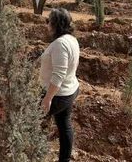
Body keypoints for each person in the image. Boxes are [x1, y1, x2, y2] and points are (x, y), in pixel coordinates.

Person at [40, 8, 80, 162]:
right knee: (64, 125)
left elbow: (59, 74)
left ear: (56, 24)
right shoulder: (71, 39)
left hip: (58, 95)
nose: (47, 24)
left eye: (48, 21)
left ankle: (33, 154)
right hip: (69, 90)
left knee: (32, 123)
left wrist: (48, 98)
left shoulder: (60, 44)